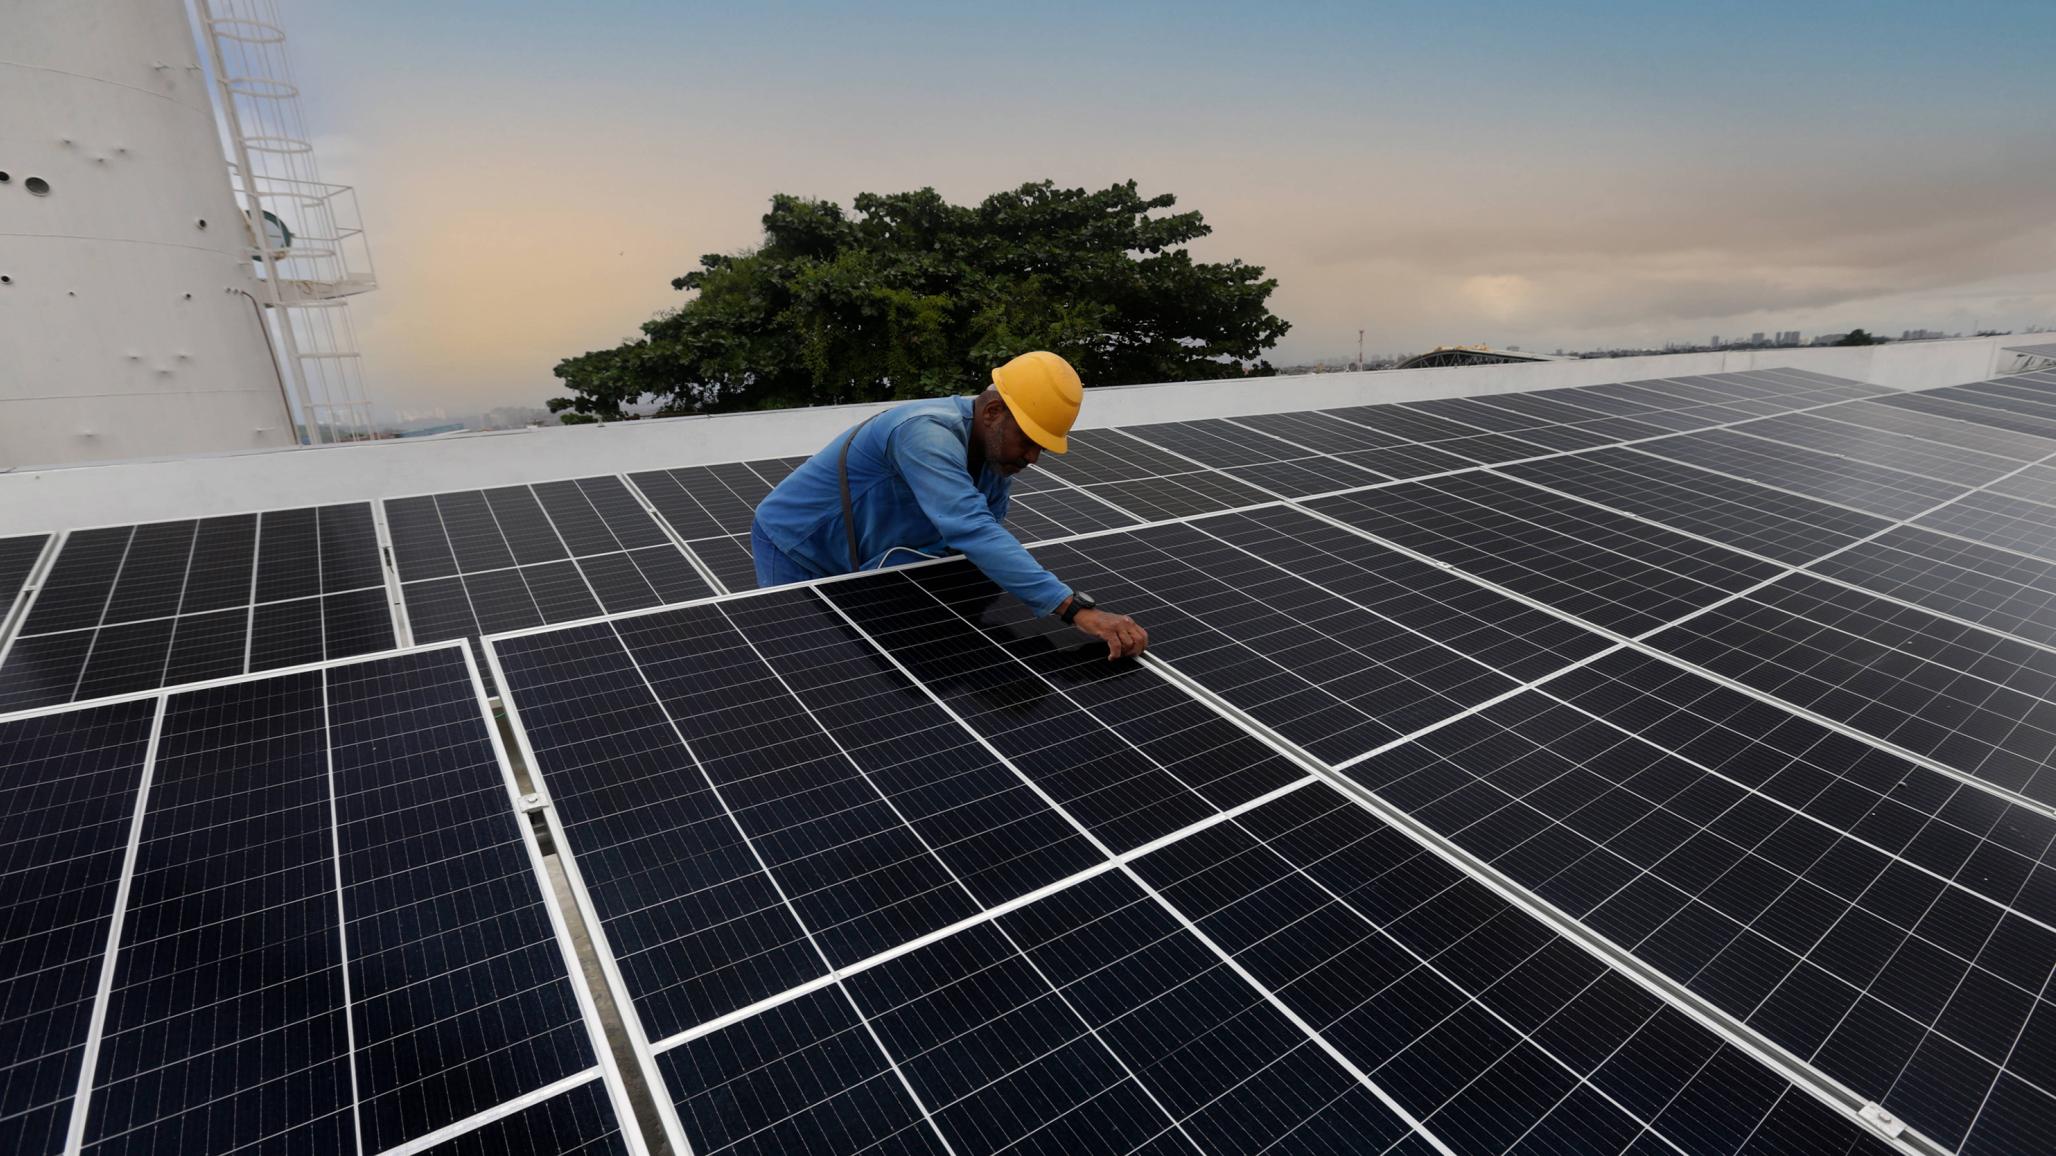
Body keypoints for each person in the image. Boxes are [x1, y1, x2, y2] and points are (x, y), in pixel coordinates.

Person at [750, 351, 1150, 659]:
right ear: (992, 412)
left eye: (1041, 447)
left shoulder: (993, 458)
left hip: (865, 553)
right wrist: (1074, 609)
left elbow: (973, 547)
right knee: (802, 659)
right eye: (1027, 441)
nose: (1033, 458)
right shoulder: (925, 432)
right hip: (797, 546)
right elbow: (971, 528)